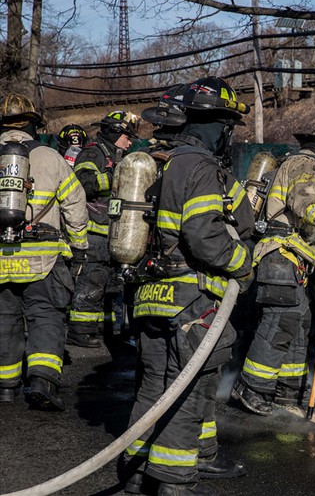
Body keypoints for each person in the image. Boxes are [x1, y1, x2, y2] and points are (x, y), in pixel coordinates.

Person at [119, 77, 254, 496]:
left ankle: (136, 473)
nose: (229, 134)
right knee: (188, 392)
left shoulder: (162, 159)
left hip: (150, 293)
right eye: (227, 124)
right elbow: (203, 235)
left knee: (154, 384)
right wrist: (242, 263)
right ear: (211, 123)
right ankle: (174, 481)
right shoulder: (200, 167)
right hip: (189, 299)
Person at [231, 132, 315, 415]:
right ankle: (250, 387)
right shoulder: (306, 165)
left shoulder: (291, 164)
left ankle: (289, 388)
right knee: (280, 322)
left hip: (289, 259)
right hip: (280, 255)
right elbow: (303, 203)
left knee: (298, 320)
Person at [0, 94, 89, 410]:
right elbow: (75, 206)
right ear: (33, 124)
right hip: (43, 255)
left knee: (5, 318)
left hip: (1, 256)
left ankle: (6, 387)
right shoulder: (51, 157)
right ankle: (41, 382)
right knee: (45, 315)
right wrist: (79, 245)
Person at [67, 111, 140, 348]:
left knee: (112, 286)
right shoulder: (93, 152)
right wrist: (117, 178)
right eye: (127, 136)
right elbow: (83, 182)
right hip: (93, 232)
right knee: (92, 282)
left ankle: (110, 331)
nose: (130, 141)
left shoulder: (117, 155)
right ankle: (80, 330)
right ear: (115, 132)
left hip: (111, 232)